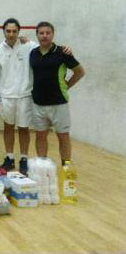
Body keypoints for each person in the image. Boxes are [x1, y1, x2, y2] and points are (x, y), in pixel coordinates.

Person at [30, 22, 84, 165]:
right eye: (41, 33)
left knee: (63, 136)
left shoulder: (62, 52)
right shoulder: (33, 53)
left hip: (59, 103)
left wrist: (67, 86)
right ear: (37, 35)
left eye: (48, 33)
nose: (45, 36)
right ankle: (42, 166)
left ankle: (66, 166)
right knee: (40, 136)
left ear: (53, 34)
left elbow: (80, 72)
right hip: (38, 103)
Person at [0, 18, 38, 175]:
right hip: (6, 96)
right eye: (8, 31)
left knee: (24, 128)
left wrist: (64, 49)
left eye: (14, 31)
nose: (11, 34)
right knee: (8, 127)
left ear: (19, 32)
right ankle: (9, 158)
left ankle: (24, 158)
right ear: (4, 32)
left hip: (25, 95)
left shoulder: (29, 46)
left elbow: (46, 48)